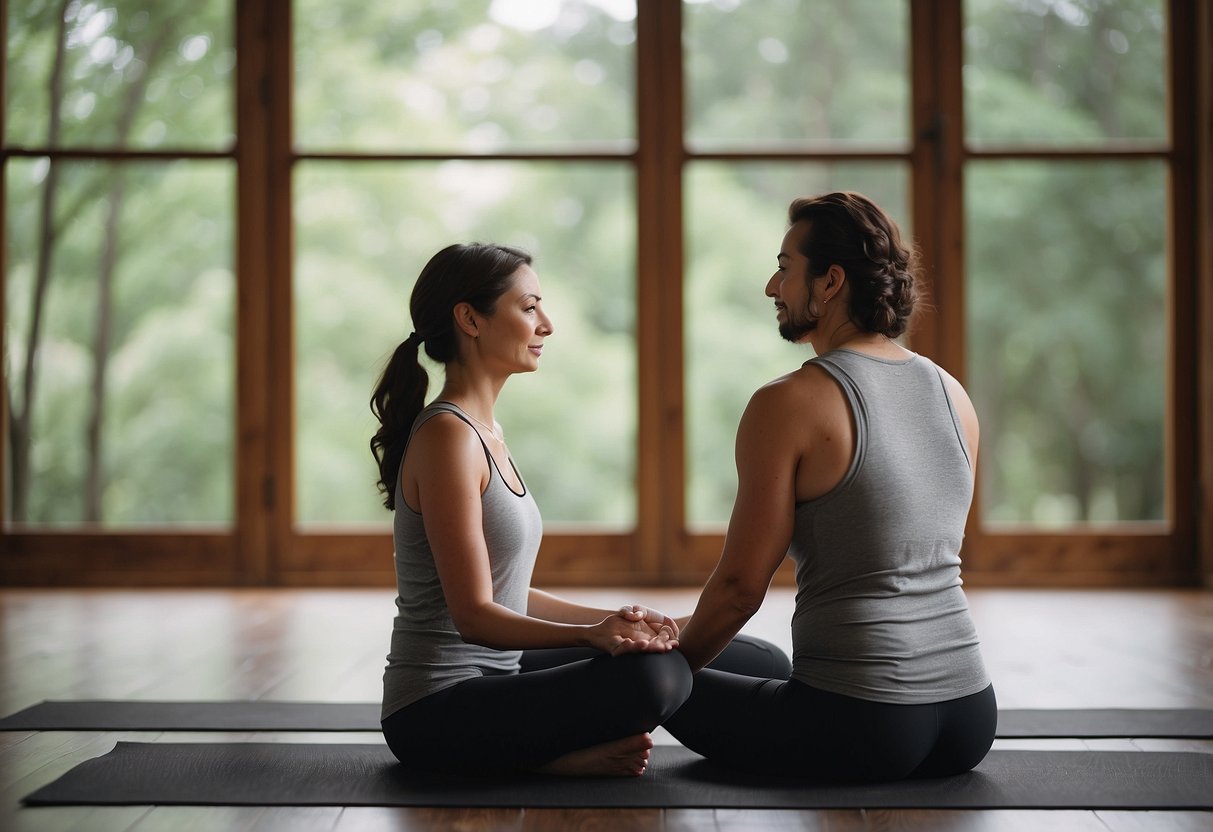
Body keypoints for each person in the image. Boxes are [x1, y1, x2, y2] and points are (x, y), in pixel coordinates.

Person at [370, 243, 786, 778]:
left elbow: (508, 591)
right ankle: (555, 761)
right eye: (528, 307)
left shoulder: (485, 431)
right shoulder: (448, 436)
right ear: (470, 319)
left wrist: (623, 623)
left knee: (755, 659)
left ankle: (554, 745)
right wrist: (593, 637)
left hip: (502, 675)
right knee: (657, 679)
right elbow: (473, 614)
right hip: (436, 709)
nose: (547, 324)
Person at [664, 192, 996, 782]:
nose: (773, 286)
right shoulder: (952, 393)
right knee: (755, 665)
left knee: (633, 673)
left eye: (786, 267)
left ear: (831, 280)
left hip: (859, 722)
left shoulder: (787, 402)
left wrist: (657, 685)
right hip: (969, 716)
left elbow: (741, 587)